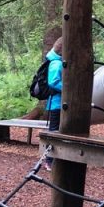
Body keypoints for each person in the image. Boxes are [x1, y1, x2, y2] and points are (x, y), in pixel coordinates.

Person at [43, 36, 63, 170]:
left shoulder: (58, 61)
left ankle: (56, 158)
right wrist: (69, 88)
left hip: (59, 103)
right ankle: (49, 160)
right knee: (54, 132)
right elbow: (53, 82)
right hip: (57, 104)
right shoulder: (56, 63)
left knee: (57, 131)